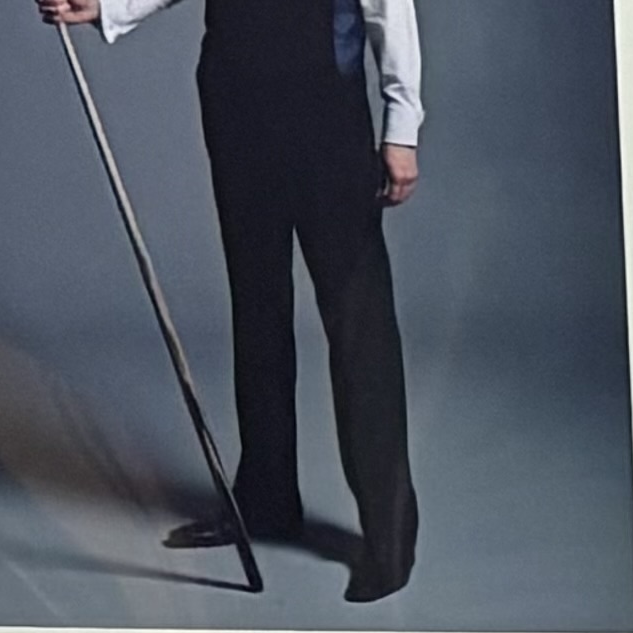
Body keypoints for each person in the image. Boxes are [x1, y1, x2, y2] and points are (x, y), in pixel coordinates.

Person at [40, 0, 425, 598]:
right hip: (236, 102)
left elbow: (388, 9)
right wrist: (107, 8)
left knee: (359, 327)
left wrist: (401, 126)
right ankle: (267, 501)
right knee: (257, 307)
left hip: (324, 108)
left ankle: (390, 537)